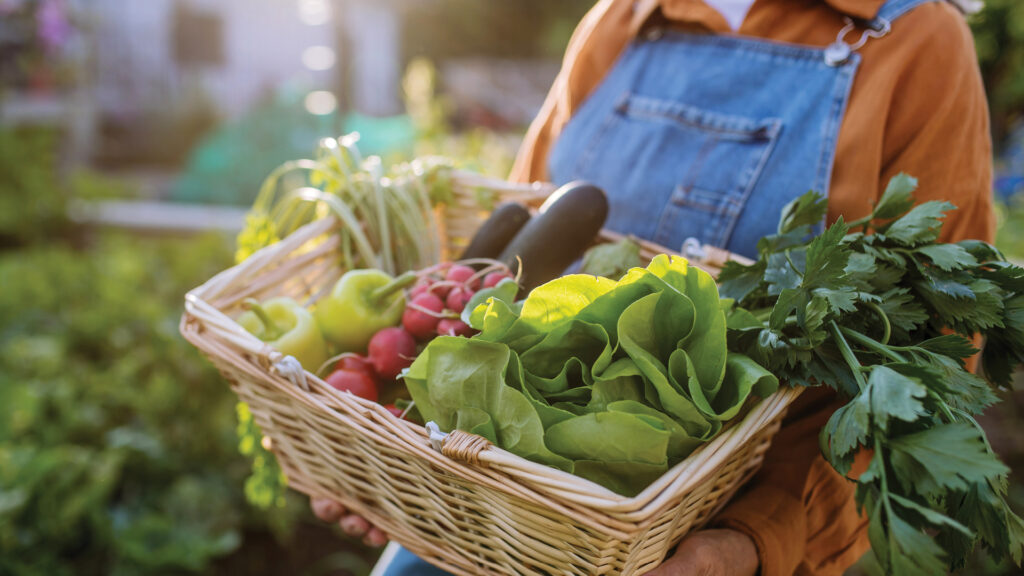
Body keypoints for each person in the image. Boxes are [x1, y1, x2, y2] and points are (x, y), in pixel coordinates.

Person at [313, 0, 995, 574]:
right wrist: (390, 462)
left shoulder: (915, 42)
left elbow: (924, 365)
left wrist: (750, 538)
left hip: (689, 551)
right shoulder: (625, 18)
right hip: (487, 512)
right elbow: (512, 267)